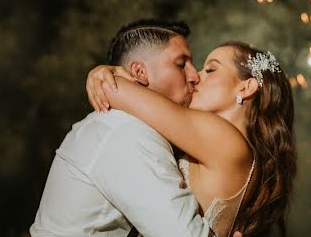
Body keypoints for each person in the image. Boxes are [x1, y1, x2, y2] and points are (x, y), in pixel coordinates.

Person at [86, 40, 297, 237]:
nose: (196, 76)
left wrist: (104, 73)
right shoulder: (238, 150)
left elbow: (115, 90)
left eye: (211, 69)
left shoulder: (225, 139)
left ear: (246, 87)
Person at [30, 20, 215, 237]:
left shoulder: (123, 125)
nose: (195, 76)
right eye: (181, 64)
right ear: (139, 71)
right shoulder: (128, 132)